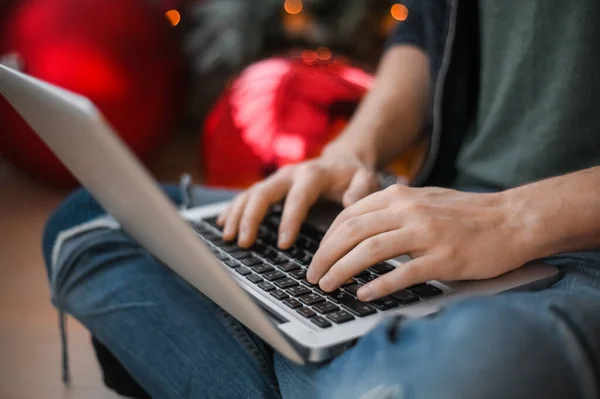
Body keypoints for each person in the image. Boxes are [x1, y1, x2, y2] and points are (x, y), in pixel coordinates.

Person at [43, 1, 600, 398]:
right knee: (94, 221)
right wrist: (353, 150)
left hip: (577, 253)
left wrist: (510, 218)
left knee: (482, 361)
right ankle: (360, 370)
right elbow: (428, 30)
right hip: (435, 209)